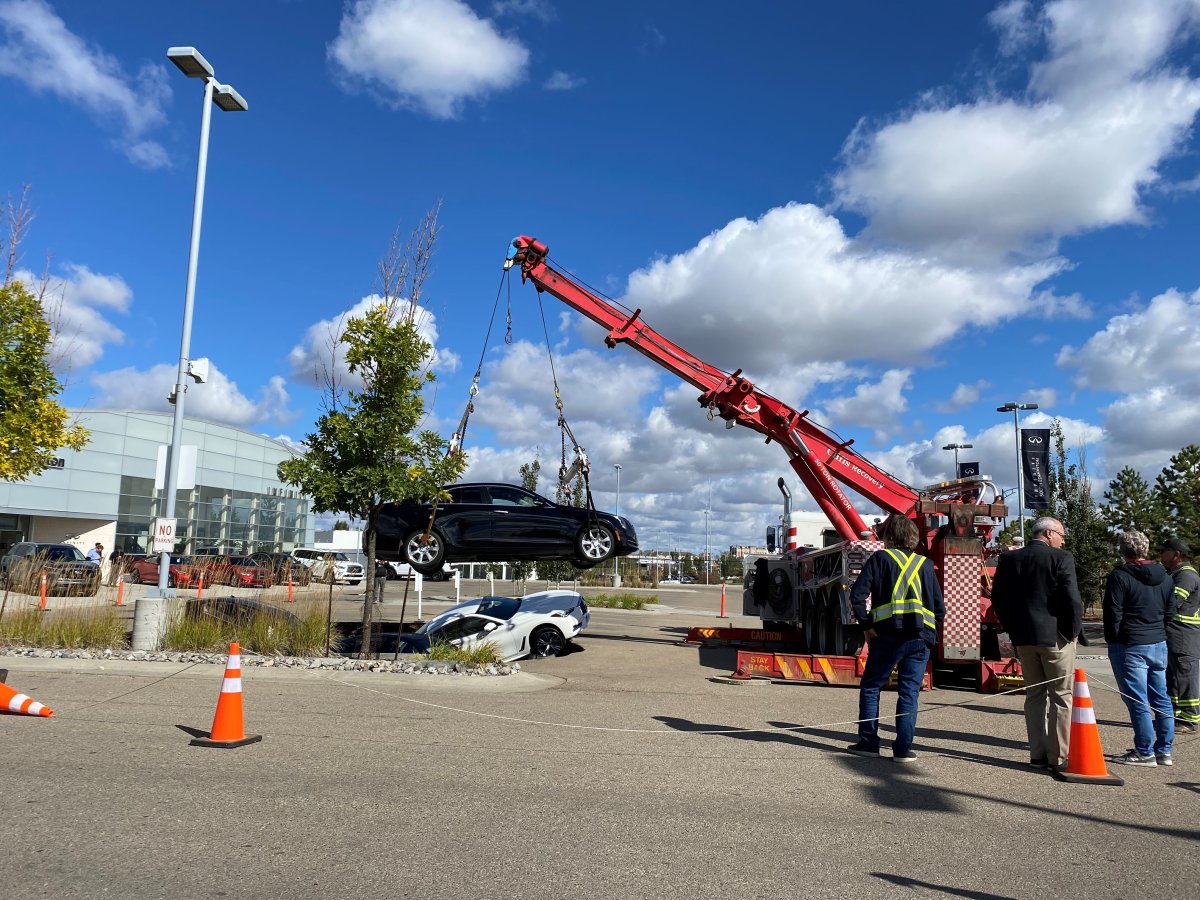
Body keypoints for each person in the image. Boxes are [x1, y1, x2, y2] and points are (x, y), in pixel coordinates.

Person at [846, 514, 944, 763]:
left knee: (871, 687)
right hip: (921, 638)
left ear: (888, 537)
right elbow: (939, 608)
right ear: (913, 537)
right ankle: (903, 749)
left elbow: (857, 595)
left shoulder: (880, 559)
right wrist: (932, 635)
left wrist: (867, 624)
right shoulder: (924, 564)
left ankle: (868, 742)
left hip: (887, 636)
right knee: (909, 692)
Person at [990, 516, 1083, 770]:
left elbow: (997, 598)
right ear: (1050, 534)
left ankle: (1037, 754)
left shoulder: (1009, 559)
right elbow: (1072, 599)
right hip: (1055, 637)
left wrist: (1012, 628)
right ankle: (1059, 756)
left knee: (1034, 695)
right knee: (1061, 696)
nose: (1063, 540)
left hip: (1023, 638)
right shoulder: (1061, 558)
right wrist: (1072, 632)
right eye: (1062, 535)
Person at [1104, 530, 1175, 766]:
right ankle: (1164, 749)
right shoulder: (1165, 577)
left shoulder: (1120, 576)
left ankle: (1144, 751)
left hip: (1130, 643)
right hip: (1158, 642)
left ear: (1123, 551)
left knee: (1138, 700)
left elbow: (1113, 612)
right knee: (1161, 697)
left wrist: (1114, 639)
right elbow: (1171, 611)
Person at [1160, 537, 1199, 735]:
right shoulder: (1175, 574)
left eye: (1164, 551)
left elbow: (1172, 603)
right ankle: (1175, 716)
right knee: (1174, 679)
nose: (1161, 555)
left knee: (1186, 680)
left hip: (1184, 637)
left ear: (1177, 554)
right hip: (1175, 637)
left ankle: (1190, 720)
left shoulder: (1186, 576)